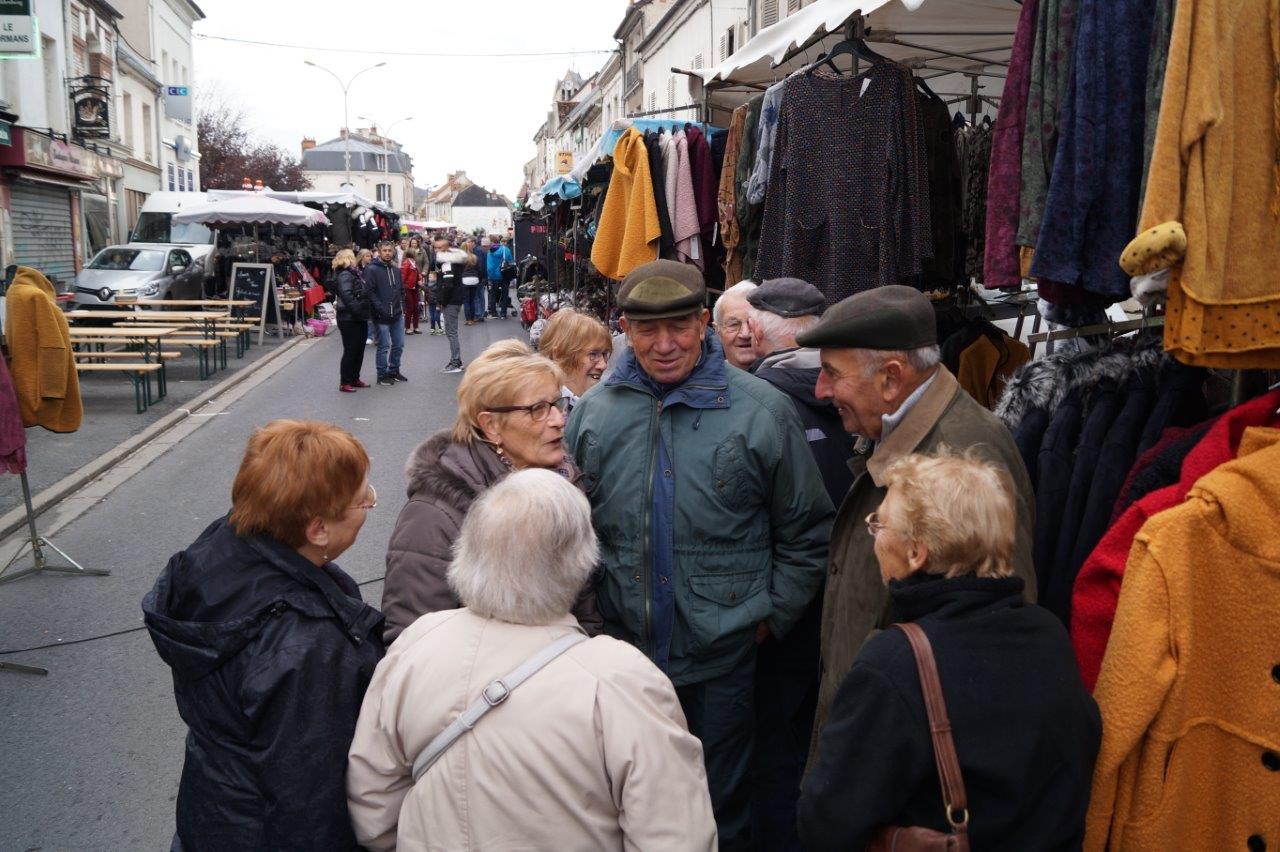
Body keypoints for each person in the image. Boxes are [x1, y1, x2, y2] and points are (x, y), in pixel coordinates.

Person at [565, 259, 835, 850]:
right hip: (620, 662)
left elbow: (808, 532)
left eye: (679, 328)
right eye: (646, 330)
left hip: (720, 668)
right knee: (620, 807)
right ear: (626, 331)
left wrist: (767, 618)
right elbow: (576, 532)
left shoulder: (762, 411)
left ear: (702, 324)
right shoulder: (593, 414)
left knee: (718, 812)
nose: (664, 346)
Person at [348, 469, 718, 851]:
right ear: (582, 562)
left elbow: (374, 810)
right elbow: (676, 836)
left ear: (469, 550)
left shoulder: (417, 643)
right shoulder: (622, 680)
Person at [798, 451, 1100, 850]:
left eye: (879, 524)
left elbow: (825, 824)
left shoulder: (893, 664)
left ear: (915, 553)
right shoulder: (1047, 633)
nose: (875, 539)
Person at [797, 284, 1038, 763]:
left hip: (909, 763)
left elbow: (993, 648)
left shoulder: (960, 457)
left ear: (890, 378)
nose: (820, 391)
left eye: (831, 373)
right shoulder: (901, 433)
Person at [142, 420, 385, 851]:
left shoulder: (223, 544)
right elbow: (307, 802)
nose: (371, 500)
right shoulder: (306, 646)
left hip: (211, 810)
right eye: (363, 500)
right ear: (317, 530)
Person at [383, 339, 601, 642]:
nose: (558, 419)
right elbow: (411, 641)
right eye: (537, 409)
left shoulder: (561, 481)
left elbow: (584, 601)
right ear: (491, 426)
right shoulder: (434, 516)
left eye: (556, 403)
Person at [742, 277, 853, 850]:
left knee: (774, 754)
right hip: (852, 602)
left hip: (779, 614)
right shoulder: (857, 387)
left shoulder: (758, 401)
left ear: (758, 329)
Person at [536, 308, 612, 410]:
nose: (603, 365)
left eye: (604, 354)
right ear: (559, 355)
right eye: (593, 354)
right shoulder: (540, 413)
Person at [365, 240, 406, 386]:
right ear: (379, 252)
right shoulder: (371, 269)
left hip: (396, 314)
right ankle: (381, 375)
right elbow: (369, 292)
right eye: (385, 250)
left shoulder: (395, 269)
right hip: (381, 315)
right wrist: (380, 309)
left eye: (390, 250)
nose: (388, 253)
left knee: (399, 344)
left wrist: (402, 306)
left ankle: (394, 370)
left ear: (393, 252)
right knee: (383, 346)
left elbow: (401, 290)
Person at [332, 249, 370, 393]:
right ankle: (345, 381)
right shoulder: (345, 274)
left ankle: (354, 377)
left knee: (358, 349)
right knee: (351, 350)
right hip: (349, 318)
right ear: (348, 258)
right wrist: (358, 311)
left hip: (356, 316)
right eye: (353, 257)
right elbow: (347, 296)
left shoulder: (352, 273)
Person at [431, 237, 470, 373]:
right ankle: (456, 361)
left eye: (439, 248)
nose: (436, 250)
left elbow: (447, 286)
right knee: (451, 332)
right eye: (435, 247)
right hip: (455, 299)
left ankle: (456, 362)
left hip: (451, 301)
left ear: (446, 249)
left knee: (451, 332)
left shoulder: (447, 263)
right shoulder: (452, 260)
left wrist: (441, 302)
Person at [714, 280, 759, 370]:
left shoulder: (787, 379)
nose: (745, 334)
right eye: (733, 324)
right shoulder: (706, 380)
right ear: (717, 331)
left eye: (752, 323)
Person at [485, 236, 514, 319]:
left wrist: (490, 276)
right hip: (505, 275)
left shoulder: (489, 252)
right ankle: (503, 313)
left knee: (493, 294)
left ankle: (493, 313)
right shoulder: (506, 250)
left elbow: (489, 267)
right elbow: (511, 262)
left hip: (493, 277)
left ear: (492, 242)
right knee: (505, 295)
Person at [465, 237, 487, 324]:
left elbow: (480, 265)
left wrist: (480, 277)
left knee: (477, 297)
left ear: (473, 242)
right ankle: (481, 313)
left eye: (469, 242)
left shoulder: (476, 251)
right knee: (481, 296)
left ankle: (478, 314)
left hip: (478, 277)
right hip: (482, 276)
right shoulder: (481, 250)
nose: (468, 244)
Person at [399, 248, 421, 335]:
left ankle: (416, 326)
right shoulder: (406, 263)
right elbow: (403, 277)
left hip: (414, 288)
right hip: (408, 288)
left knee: (416, 308)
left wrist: (419, 279)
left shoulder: (413, 263)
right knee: (410, 308)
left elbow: (416, 274)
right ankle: (407, 327)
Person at [357, 248, 375, 344]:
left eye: (370, 256)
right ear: (361, 257)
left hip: (369, 293)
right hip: (360, 294)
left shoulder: (372, 267)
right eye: (367, 256)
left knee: (370, 316)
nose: (369, 258)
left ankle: (370, 335)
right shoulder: (356, 268)